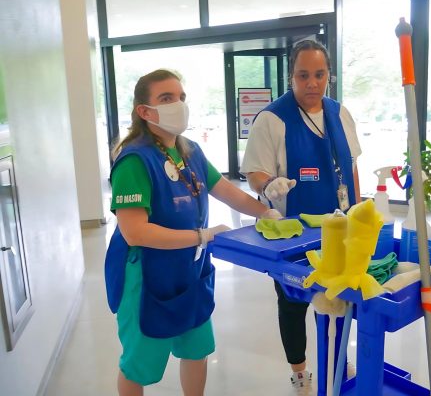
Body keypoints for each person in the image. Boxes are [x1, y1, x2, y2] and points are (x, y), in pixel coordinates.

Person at [104, 69, 281, 396]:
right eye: (166, 98)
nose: (178, 105)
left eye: (181, 97)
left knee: (196, 347)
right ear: (145, 111)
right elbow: (135, 233)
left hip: (189, 270)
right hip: (147, 277)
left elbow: (225, 190)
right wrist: (201, 236)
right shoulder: (135, 160)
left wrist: (266, 209)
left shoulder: (189, 151)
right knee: (139, 364)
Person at [241, 40, 362, 391]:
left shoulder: (339, 113)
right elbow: (254, 174)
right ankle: (299, 371)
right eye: (303, 75)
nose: (312, 83)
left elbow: (352, 166)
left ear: (329, 76)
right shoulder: (272, 119)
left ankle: (338, 358)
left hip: (339, 230)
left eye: (319, 74)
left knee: (342, 298)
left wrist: (357, 207)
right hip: (293, 234)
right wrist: (270, 185)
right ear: (291, 75)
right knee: (293, 303)